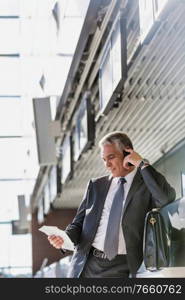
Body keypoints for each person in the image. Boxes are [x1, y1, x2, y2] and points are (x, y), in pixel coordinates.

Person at [48, 131, 176, 278]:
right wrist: (65, 237)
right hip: (88, 265)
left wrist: (142, 163)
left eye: (111, 157)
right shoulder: (96, 186)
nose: (107, 164)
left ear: (128, 153)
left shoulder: (145, 185)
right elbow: (79, 223)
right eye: (104, 159)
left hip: (124, 267)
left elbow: (166, 198)